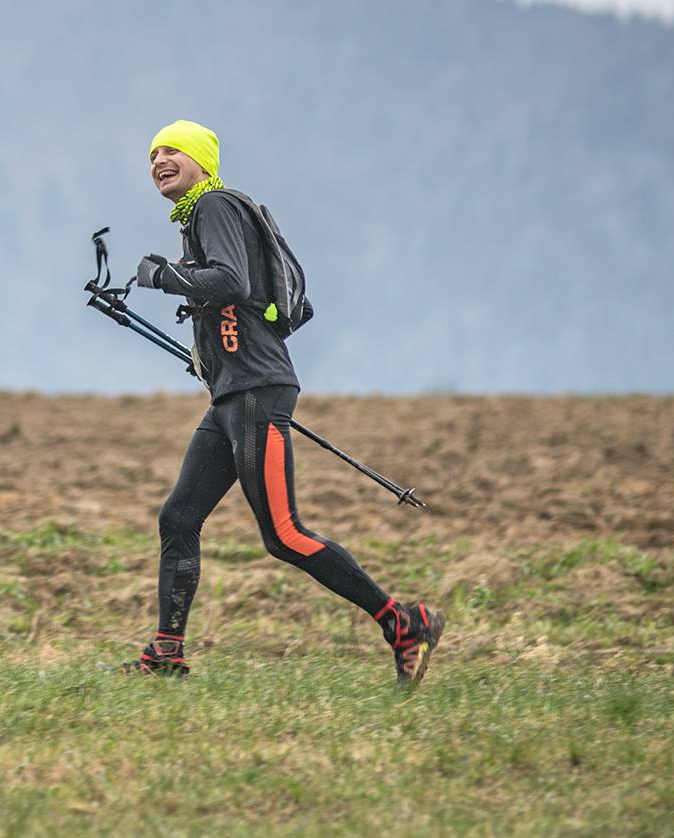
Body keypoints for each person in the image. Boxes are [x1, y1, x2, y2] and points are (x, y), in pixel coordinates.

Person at [118, 119, 444, 688]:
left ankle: (404, 623)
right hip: (232, 394)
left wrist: (161, 275)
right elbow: (227, 305)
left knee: (284, 534)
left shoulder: (215, 205)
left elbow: (231, 282)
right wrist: (207, 356)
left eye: (172, 151)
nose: (159, 160)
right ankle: (167, 652)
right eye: (152, 154)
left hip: (256, 393)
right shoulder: (199, 216)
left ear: (201, 161)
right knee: (178, 517)